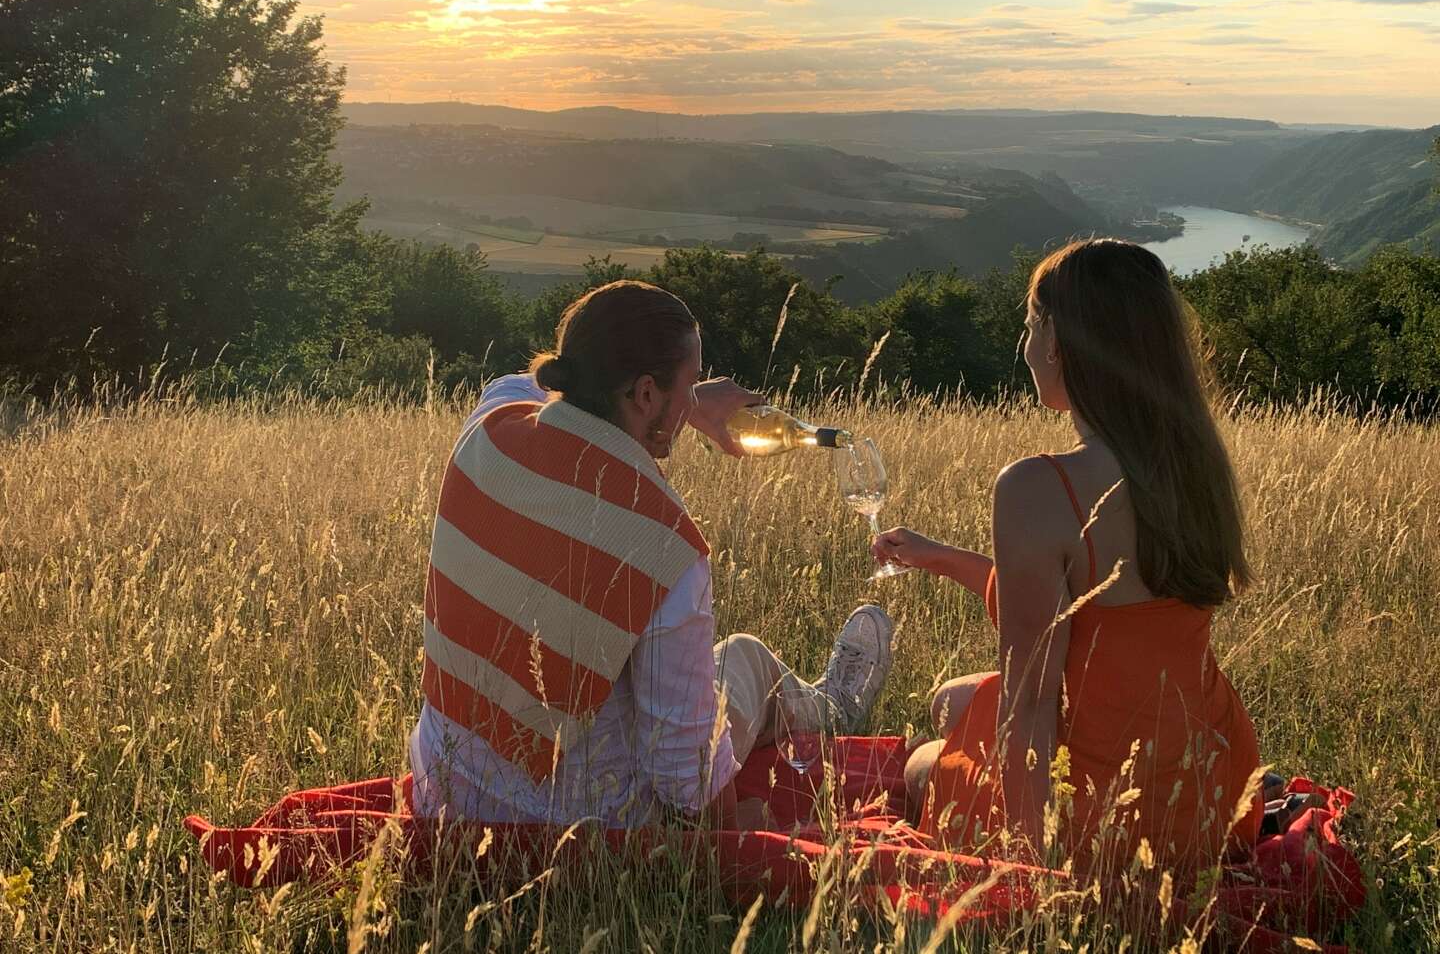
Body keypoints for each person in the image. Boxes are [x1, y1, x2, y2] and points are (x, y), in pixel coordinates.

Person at [410, 279, 894, 829]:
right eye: (689, 386)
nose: (693, 402)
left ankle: (812, 706)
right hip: (581, 821)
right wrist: (736, 832)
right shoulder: (664, 546)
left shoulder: (489, 429)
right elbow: (684, 783)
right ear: (644, 394)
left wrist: (683, 401)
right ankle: (826, 711)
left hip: (444, 792)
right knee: (743, 659)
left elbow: (518, 382)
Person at [876, 238, 1263, 873]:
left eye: (1030, 324)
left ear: (1057, 341)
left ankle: (951, 783)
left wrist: (1039, 869)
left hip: (1108, 810)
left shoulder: (1038, 487)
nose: (1023, 346)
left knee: (924, 759)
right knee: (952, 698)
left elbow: (1030, 701)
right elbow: (1103, 611)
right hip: (1211, 789)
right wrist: (940, 556)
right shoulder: (1193, 466)